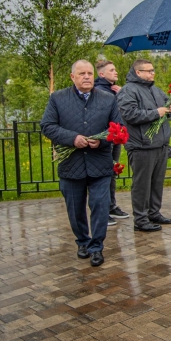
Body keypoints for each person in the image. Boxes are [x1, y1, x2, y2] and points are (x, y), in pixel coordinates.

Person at [41, 60, 119, 267]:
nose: (87, 77)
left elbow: (118, 128)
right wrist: (72, 138)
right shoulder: (58, 99)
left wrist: (101, 140)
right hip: (71, 164)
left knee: (100, 206)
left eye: (90, 73)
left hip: (99, 164)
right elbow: (47, 126)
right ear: (72, 77)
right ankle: (82, 241)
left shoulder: (107, 99)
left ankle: (96, 247)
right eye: (82, 73)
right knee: (75, 209)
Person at [117, 59, 171, 232]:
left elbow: (166, 107)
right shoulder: (128, 91)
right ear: (137, 72)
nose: (152, 73)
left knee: (157, 181)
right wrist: (156, 113)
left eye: (153, 70)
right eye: (148, 71)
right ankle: (140, 218)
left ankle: (154, 212)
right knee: (142, 184)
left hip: (159, 144)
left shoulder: (155, 90)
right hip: (141, 146)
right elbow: (129, 114)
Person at [94, 60, 129, 225]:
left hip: (116, 136)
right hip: (106, 136)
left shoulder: (113, 89)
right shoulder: (100, 91)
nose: (116, 72)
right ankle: (103, 210)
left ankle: (111, 205)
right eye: (112, 70)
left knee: (113, 171)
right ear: (102, 74)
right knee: (105, 173)